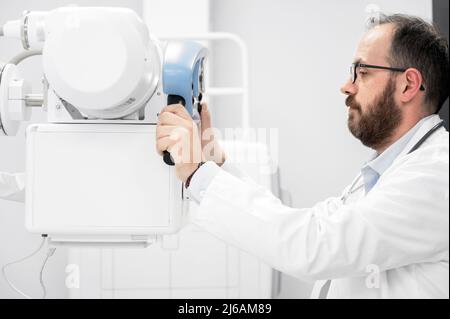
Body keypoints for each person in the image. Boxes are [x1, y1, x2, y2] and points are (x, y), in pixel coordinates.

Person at [156, 14, 449, 298]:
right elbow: (308, 226)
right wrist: (213, 164)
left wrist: (198, 174)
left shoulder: (436, 175)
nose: (346, 86)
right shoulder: (390, 171)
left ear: (408, 85)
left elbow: (315, 246)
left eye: (362, 72)